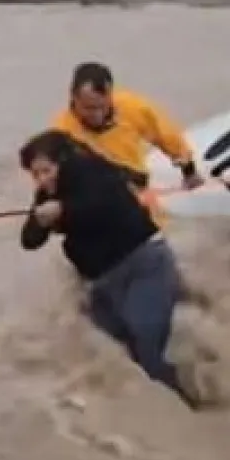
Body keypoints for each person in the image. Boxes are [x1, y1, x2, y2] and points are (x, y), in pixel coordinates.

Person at [17, 130, 197, 410]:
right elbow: (29, 241)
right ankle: (148, 406)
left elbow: (103, 206)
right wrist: (39, 222)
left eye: (46, 171)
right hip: (104, 283)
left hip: (144, 264)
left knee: (146, 341)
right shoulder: (47, 194)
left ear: (63, 163)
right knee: (115, 350)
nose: (42, 179)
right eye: (35, 174)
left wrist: (63, 210)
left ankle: (182, 408)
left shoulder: (93, 173)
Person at [51, 61, 203, 194]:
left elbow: (169, 137)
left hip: (135, 185)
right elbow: (51, 175)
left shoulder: (132, 107)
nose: (97, 115)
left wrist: (189, 171)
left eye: (103, 107)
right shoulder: (61, 131)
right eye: (89, 108)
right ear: (73, 97)